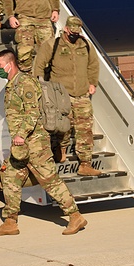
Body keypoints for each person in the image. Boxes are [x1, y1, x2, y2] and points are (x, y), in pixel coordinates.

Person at [0, 49, 87, 236]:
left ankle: (75, 216)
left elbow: (32, 112)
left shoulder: (25, 83)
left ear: (10, 64)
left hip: (34, 143)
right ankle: (10, 222)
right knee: (9, 177)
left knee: (50, 180)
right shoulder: (12, 84)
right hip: (21, 145)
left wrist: (21, 134)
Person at [34, 16, 101, 175]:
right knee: (63, 127)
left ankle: (85, 164)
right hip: (61, 95)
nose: (74, 35)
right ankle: (61, 148)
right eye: (72, 32)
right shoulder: (53, 44)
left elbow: (93, 65)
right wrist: (41, 86)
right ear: (66, 29)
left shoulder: (85, 45)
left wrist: (93, 83)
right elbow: (39, 65)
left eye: (77, 33)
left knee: (85, 129)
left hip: (82, 95)